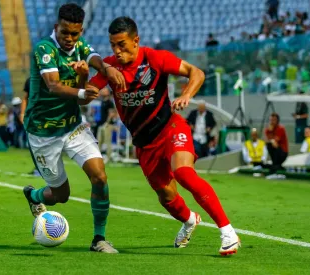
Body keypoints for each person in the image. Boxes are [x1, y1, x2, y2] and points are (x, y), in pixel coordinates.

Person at [89, 16, 240, 255]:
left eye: (122, 44)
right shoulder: (110, 67)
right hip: (144, 143)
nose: (116, 51)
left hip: (170, 127)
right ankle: (190, 220)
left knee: (183, 173)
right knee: (165, 195)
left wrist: (186, 95)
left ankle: (228, 232)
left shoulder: (155, 58)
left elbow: (196, 73)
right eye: (113, 45)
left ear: (136, 41)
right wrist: (83, 80)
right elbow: (90, 90)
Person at [22, 3, 125, 254]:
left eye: (75, 33)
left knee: (99, 176)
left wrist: (107, 69)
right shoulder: (44, 49)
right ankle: (34, 196)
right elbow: (54, 86)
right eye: (65, 33)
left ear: (80, 31)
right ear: (56, 27)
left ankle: (99, 238)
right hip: (43, 132)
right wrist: (84, 88)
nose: (70, 39)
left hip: (73, 126)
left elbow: (93, 57)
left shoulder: (80, 45)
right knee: (61, 195)